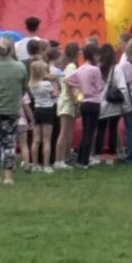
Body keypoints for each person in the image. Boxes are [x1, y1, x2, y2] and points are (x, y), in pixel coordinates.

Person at [0, 37, 29, 185]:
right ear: (11, 50)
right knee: (9, 143)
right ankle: (9, 177)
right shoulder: (20, 67)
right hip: (12, 110)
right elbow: (24, 88)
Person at [64, 43, 104, 169]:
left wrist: (79, 85)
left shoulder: (80, 68)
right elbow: (100, 87)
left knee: (85, 132)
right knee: (90, 133)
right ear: (93, 55)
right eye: (97, 55)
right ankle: (85, 160)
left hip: (84, 102)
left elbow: (66, 80)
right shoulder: (95, 69)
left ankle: (80, 158)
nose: (98, 58)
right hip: (94, 102)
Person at [27, 60, 57, 173]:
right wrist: (54, 82)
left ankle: (35, 164)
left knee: (36, 139)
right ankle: (46, 165)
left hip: (37, 110)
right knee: (46, 140)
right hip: (47, 110)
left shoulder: (32, 84)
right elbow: (54, 94)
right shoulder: (46, 84)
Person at [53, 42, 80, 170]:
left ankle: (66, 156)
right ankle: (59, 159)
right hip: (67, 101)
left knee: (67, 131)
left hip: (64, 100)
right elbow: (69, 85)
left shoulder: (64, 66)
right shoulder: (72, 66)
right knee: (64, 132)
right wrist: (75, 100)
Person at [95, 44, 123, 164]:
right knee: (113, 129)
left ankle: (97, 154)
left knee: (100, 130)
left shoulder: (97, 68)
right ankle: (111, 156)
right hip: (113, 104)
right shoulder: (116, 68)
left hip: (100, 103)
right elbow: (121, 85)